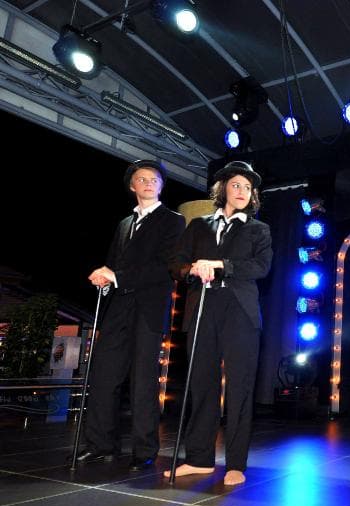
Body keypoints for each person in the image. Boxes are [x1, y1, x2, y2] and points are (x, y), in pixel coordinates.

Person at [166, 161, 272, 486]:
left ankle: (236, 463)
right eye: (236, 185)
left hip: (239, 311)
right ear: (223, 188)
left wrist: (221, 265)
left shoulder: (258, 229)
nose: (242, 191)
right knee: (201, 384)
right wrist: (191, 269)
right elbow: (176, 263)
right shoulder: (199, 225)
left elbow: (261, 267)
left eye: (248, 187)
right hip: (202, 306)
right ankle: (199, 459)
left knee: (240, 387)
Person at [77, 160, 185, 471]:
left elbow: (165, 267)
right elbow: (114, 263)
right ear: (132, 185)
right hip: (118, 309)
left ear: (161, 186)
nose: (148, 183)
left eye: (154, 179)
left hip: (148, 309)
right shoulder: (124, 223)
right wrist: (105, 279)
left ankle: (144, 448)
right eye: (142, 178)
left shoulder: (173, 221)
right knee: (103, 375)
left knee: (143, 380)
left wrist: (118, 277)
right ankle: (100, 444)